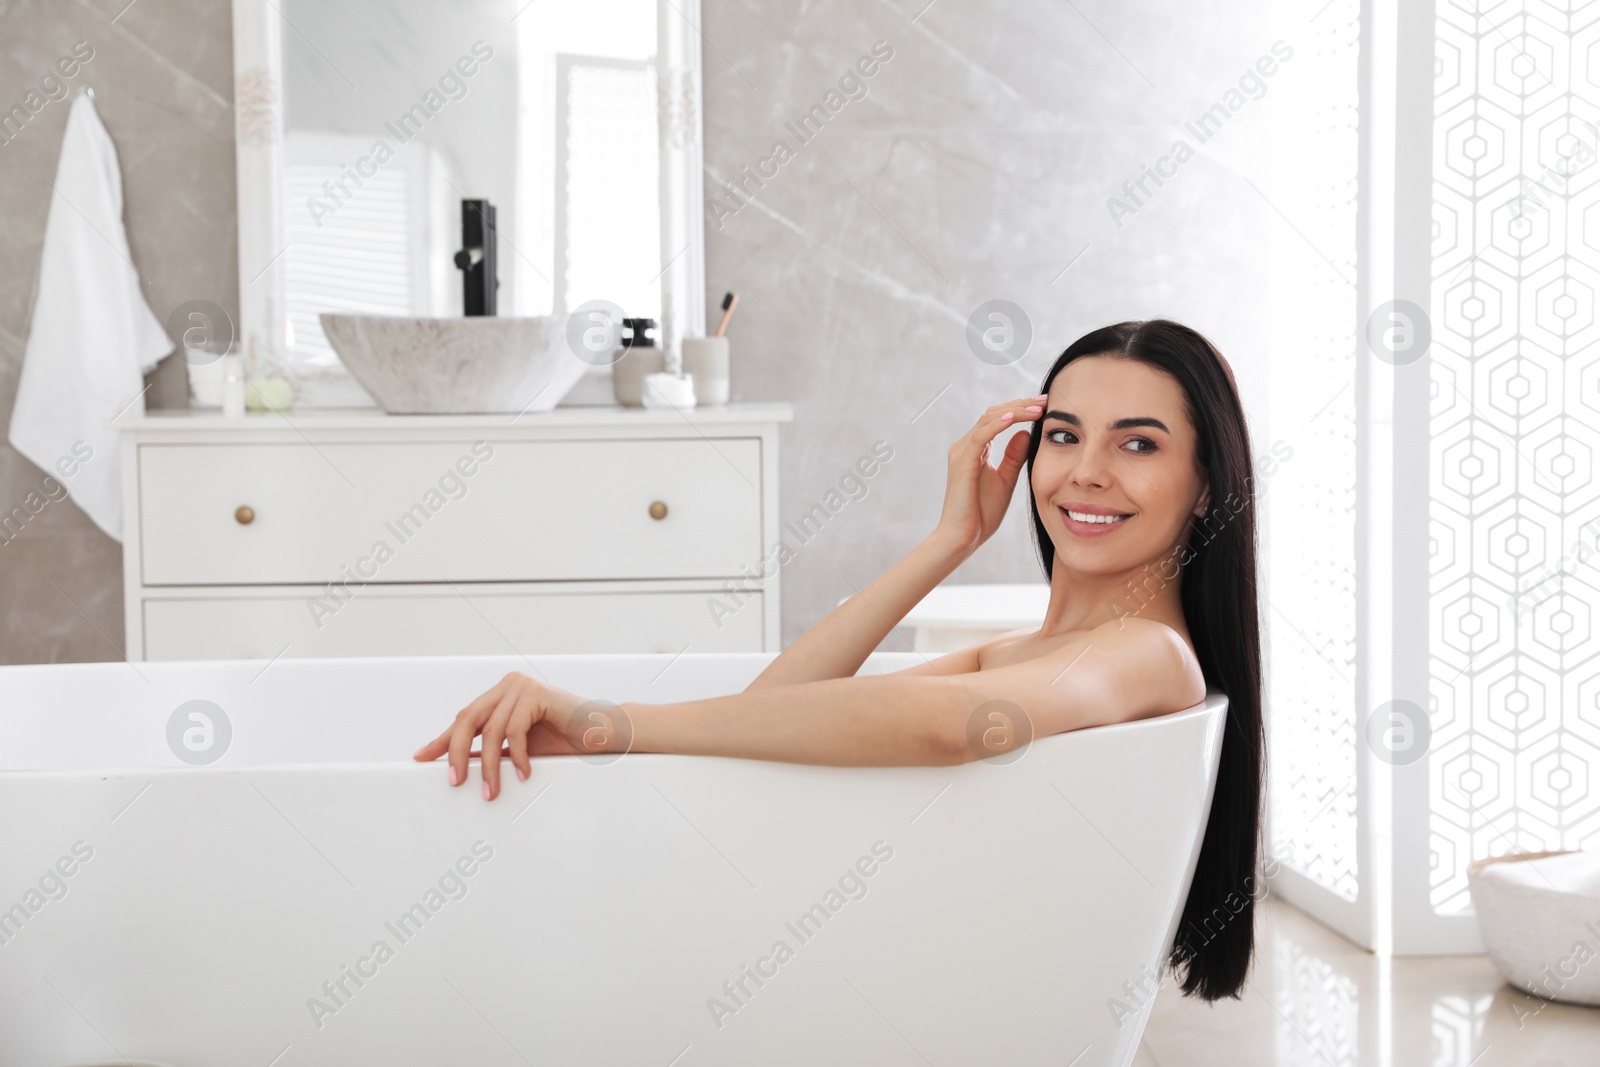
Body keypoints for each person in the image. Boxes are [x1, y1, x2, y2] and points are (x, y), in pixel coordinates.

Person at [414, 318, 1264, 1001]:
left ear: (1207, 483)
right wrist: (950, 539)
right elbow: (776, 707)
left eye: (1138, 444)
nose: (1085, 473)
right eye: (1064, 435)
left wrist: (614, 723)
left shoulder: (1151, 654)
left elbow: (952, 727)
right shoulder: (1025, 655)